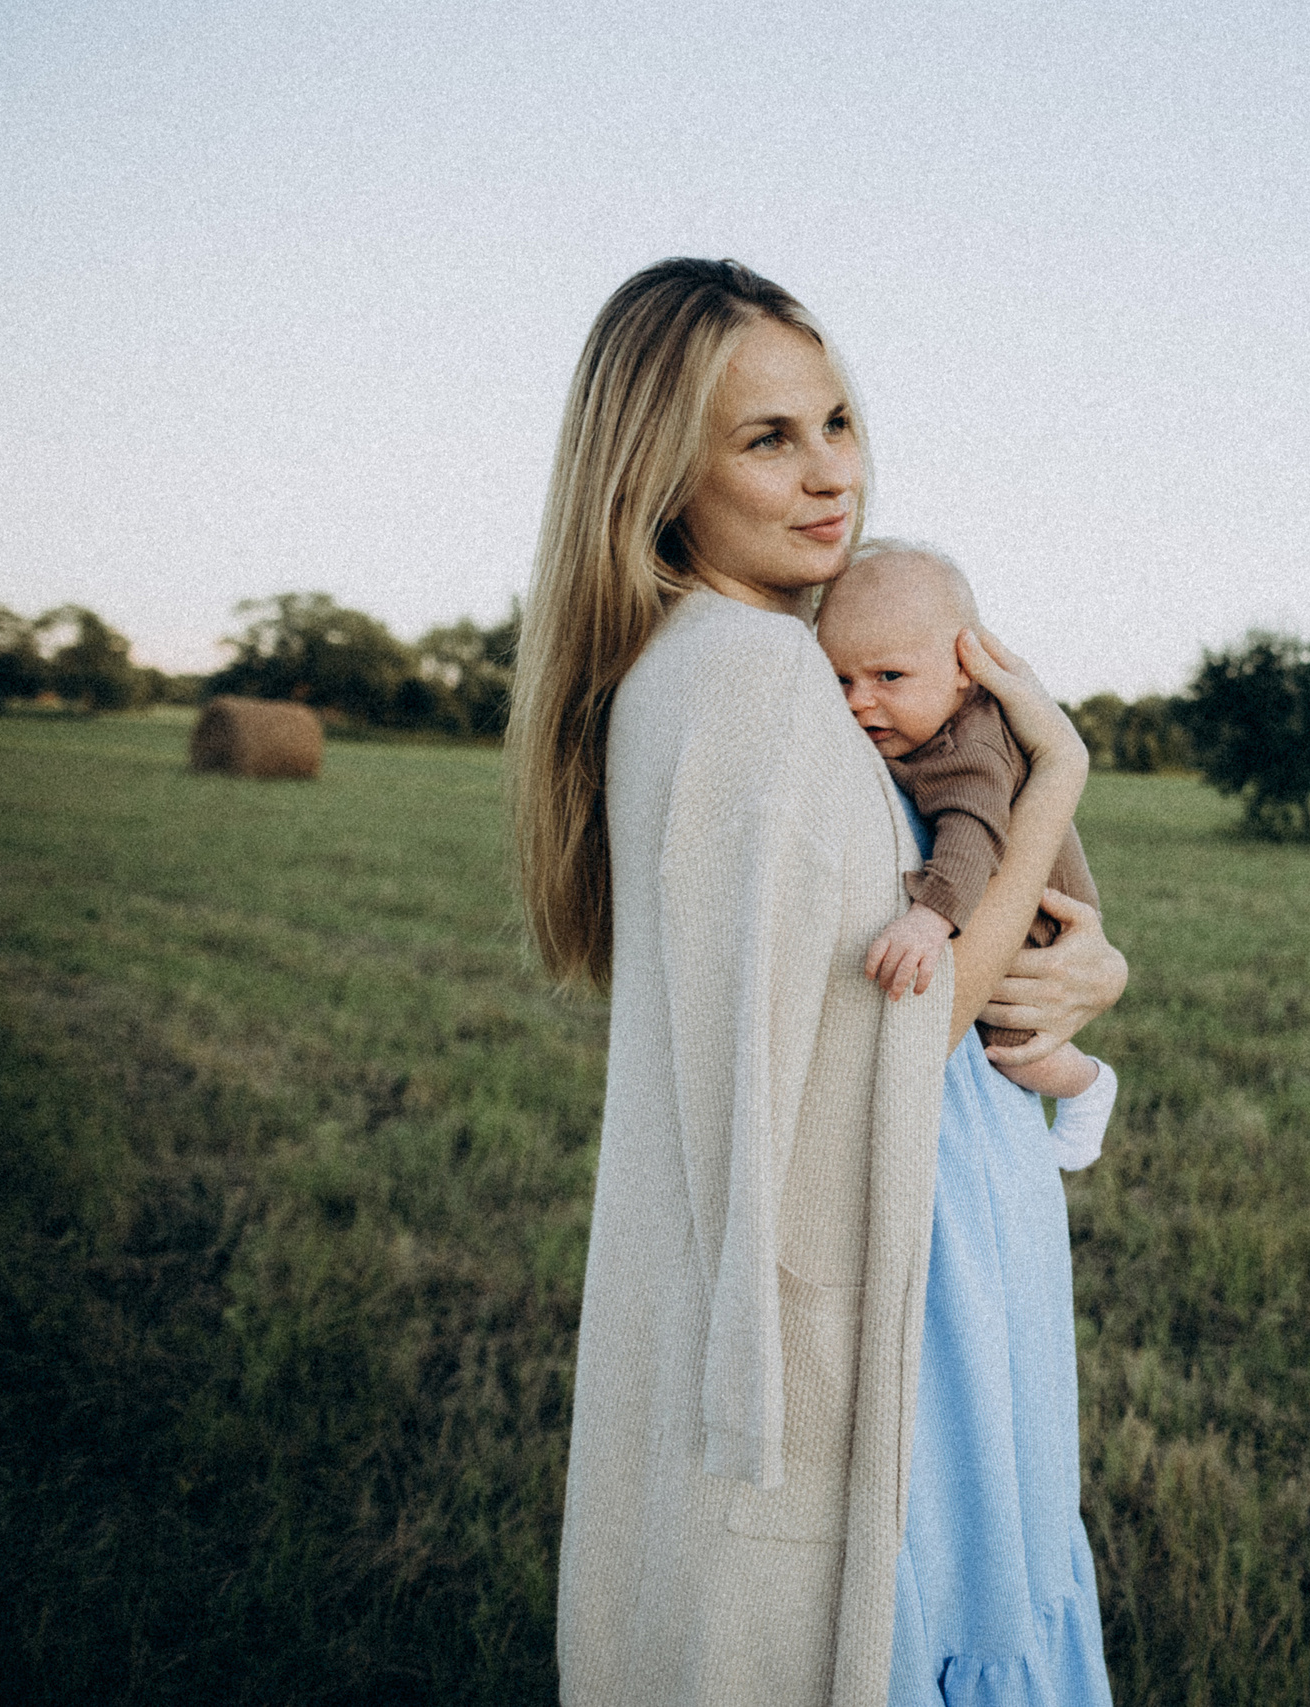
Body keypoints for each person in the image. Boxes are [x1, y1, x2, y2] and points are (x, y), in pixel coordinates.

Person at [510, 258, 1122, 1707]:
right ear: (661, 476)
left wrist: (1088, 957)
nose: (829, 472)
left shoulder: (736, 661)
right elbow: (906, 1032)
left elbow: (927, 956)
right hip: (909, 1264)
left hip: (935, 1220)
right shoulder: (758, 681)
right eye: (766, 439)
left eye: (836, 421)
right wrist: (1063, 774)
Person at [815, 540, 1119, 1171]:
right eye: (839, 678)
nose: (857, 701)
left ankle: (1086, 1085)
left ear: (965, 667)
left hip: (1035, 922)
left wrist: (929, 919)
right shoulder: (919, 723)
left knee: (1008, 1040)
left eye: (888, 677)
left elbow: (971, 833)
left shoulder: (971, 744)